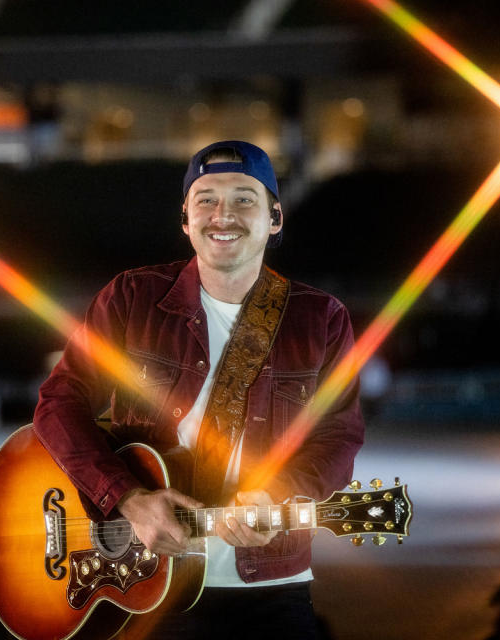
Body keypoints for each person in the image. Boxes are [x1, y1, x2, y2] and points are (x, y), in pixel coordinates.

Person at [33, 140, 364, 639]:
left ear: (275, 218)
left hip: (271, 588)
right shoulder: (131, 298)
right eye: (205, 198)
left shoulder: (321, 320)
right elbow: (58, 404)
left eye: (243, 199)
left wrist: (279, 493)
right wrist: (126, 497)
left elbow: (338, 439)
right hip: (147, 587)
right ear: (185, 220)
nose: (222, 214)